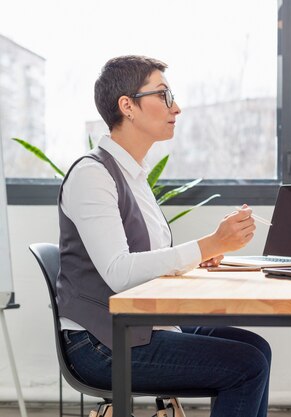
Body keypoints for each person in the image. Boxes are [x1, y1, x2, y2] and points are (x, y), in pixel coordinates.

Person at [56, 55, 271, 417]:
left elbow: (148, 262)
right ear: (128, 106)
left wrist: (203, 254)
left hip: (135, 326)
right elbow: (120, 272)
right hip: (98, 344)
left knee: (255, 348)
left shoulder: (133, 177)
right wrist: (210, 243)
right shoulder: (92, 176)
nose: (178, 107)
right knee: (246, 365)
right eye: (164, 95)